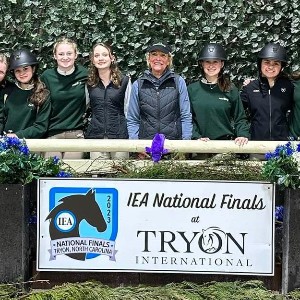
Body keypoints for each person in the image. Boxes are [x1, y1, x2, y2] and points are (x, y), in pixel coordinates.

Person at [127, 41, 192, 150]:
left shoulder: (178, 82)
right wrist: (137, 146)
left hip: (173, 146)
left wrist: (184, 145)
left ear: (168, 60)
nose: (158, 58)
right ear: (148, 59)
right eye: (154, 54)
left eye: (163, 55)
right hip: (146, 147)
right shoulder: (138, 85)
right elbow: (132, 119)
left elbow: (185, 116)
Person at [187, 43, 249, 150]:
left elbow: (240, 118)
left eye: (215, 62)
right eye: (207, 62)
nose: (211, 66)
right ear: (202, 64)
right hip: (201, 146)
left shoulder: (230, 89)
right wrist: (196, 137)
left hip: (226, 146)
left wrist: (242, 135)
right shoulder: (192, 89)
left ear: (222, 64)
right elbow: (188, 119)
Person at [41, 37, 88, 159]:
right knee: (51, 171)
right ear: (55, 56)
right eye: (61, 54)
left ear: (76, 55)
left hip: (76, 133)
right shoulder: (47, 76)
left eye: (69, 53)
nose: (65, 57)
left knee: (71, 172)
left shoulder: (85, 74)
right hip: (52, 134)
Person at [85, 42, 130, 160]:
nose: (101, 58)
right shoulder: (89, 83)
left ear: (112, 58)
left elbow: (129, 111)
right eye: (97, 55)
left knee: (121, 174)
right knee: (97, 175)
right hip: (96, 137)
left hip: (119, 137)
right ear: (92, 60)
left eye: (105, 55)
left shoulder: (124, 81)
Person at [241, 42, 293, 141]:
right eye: (267, 62)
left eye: (276, 63)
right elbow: (237, 113)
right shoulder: (250, 88)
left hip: (282, 146)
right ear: (260, 64)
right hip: (256, 144)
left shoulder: (289, 87)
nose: (270, 67)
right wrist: (243, 133)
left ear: (281, 67)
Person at [0, 49, 51, 138]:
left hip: (31, 145)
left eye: (25, 69)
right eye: (18, 71)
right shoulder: (6, 92)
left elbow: (41, 127)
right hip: (6, 144)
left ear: (33, 69)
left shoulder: (43, 94)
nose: (22, 73)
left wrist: (17, 136)